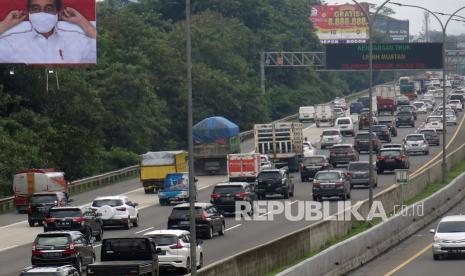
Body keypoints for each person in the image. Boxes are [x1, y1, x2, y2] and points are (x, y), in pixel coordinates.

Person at [0, 0, 96, 64]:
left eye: (49, 9)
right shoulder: (11, 43)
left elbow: (102, 50)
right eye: (36, 9)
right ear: (29, 14)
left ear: (58, 14)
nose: (42, 13)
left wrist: (83, 22)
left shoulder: (77, 41)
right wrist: (4, 25)